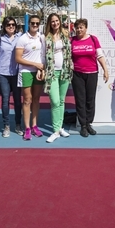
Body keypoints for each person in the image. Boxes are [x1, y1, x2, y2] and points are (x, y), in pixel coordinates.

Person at [70, 18, 109, 137]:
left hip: (92, 73)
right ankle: (82, 125)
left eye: (81, 27)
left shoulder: (93, 39)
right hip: (77, 74)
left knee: (90, 100)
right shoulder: (71, 40)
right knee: (80, 100)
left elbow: (100, 55)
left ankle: (88, 124)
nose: (79, 30)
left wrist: (105, 70)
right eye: (77, 27)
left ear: (86, 28)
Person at [43, 13, 73, 143]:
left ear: (59, 22)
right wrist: (42, 69)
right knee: (54, 101)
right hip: (52, 73)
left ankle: (59, 128)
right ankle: (55, 130)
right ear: (49, 23)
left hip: (65, 72)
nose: (55, 23)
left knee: (61, 101)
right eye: (52, 21)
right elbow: (42, 55)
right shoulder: (46, 38)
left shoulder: (65, 35)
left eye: (57, 21)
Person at [15, 16, 46, 141]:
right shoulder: (22, 39)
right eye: (32, 23)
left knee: (36, 99)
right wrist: (35, 64)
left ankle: (35, 126)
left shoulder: (42, 38)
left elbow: (43, 55)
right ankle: (27, 128)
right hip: (26, 72)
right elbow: (18, 58)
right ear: (29, 24)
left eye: (37, 23)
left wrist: (41, 68)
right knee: (27, 100)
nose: (35, 25)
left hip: (38, 72)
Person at [0, 17, 23, 137]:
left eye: (13, 25)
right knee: (5, 99)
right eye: (8, 25)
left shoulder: (20, 38)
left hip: (16, 72)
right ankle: (6, 125)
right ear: (4, 26)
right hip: (2, 72)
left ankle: (18, 124)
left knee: (17, 100)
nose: (11, 27)